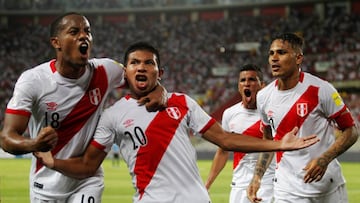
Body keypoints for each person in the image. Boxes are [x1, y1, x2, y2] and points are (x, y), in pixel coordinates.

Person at [35, 41, 319, 203]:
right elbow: (87, 165)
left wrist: (278, 143)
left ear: (161, 72)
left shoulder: (182, 102)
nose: (141, 67)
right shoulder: (113, 115)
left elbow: (226, 139)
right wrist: (53, 162)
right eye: (134, 63)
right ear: (126, 72)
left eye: (149, 63)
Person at [0, 13, 167, 203]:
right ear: (56, 42)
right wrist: (34, 144)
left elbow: (142, 77)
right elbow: (7, 137)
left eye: (87, 31)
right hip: (46, 183)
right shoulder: (34, 81)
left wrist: (160, 89)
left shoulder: (105, 70)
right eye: (74, 32)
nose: (83, 36)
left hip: (87, 179)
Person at [246, 32, 359, 203]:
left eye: (281, 52)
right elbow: (269, 141)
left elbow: (351, 131)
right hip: (287, 190)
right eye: (271, 53)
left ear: (298, 58)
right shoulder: (263, 97)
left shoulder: (321, 89)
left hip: (327, 188)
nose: (274, 58)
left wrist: (324, 159)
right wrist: (257, 176)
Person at [205, 64, 275, 203]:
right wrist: (207, 184)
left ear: (262, 85)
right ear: (238, 86)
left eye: (252, 80)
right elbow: (222, 151)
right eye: (243, 80)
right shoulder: (230, 114)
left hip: (267, 184)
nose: (247, 83)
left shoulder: (272, 113)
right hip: (239, 186)